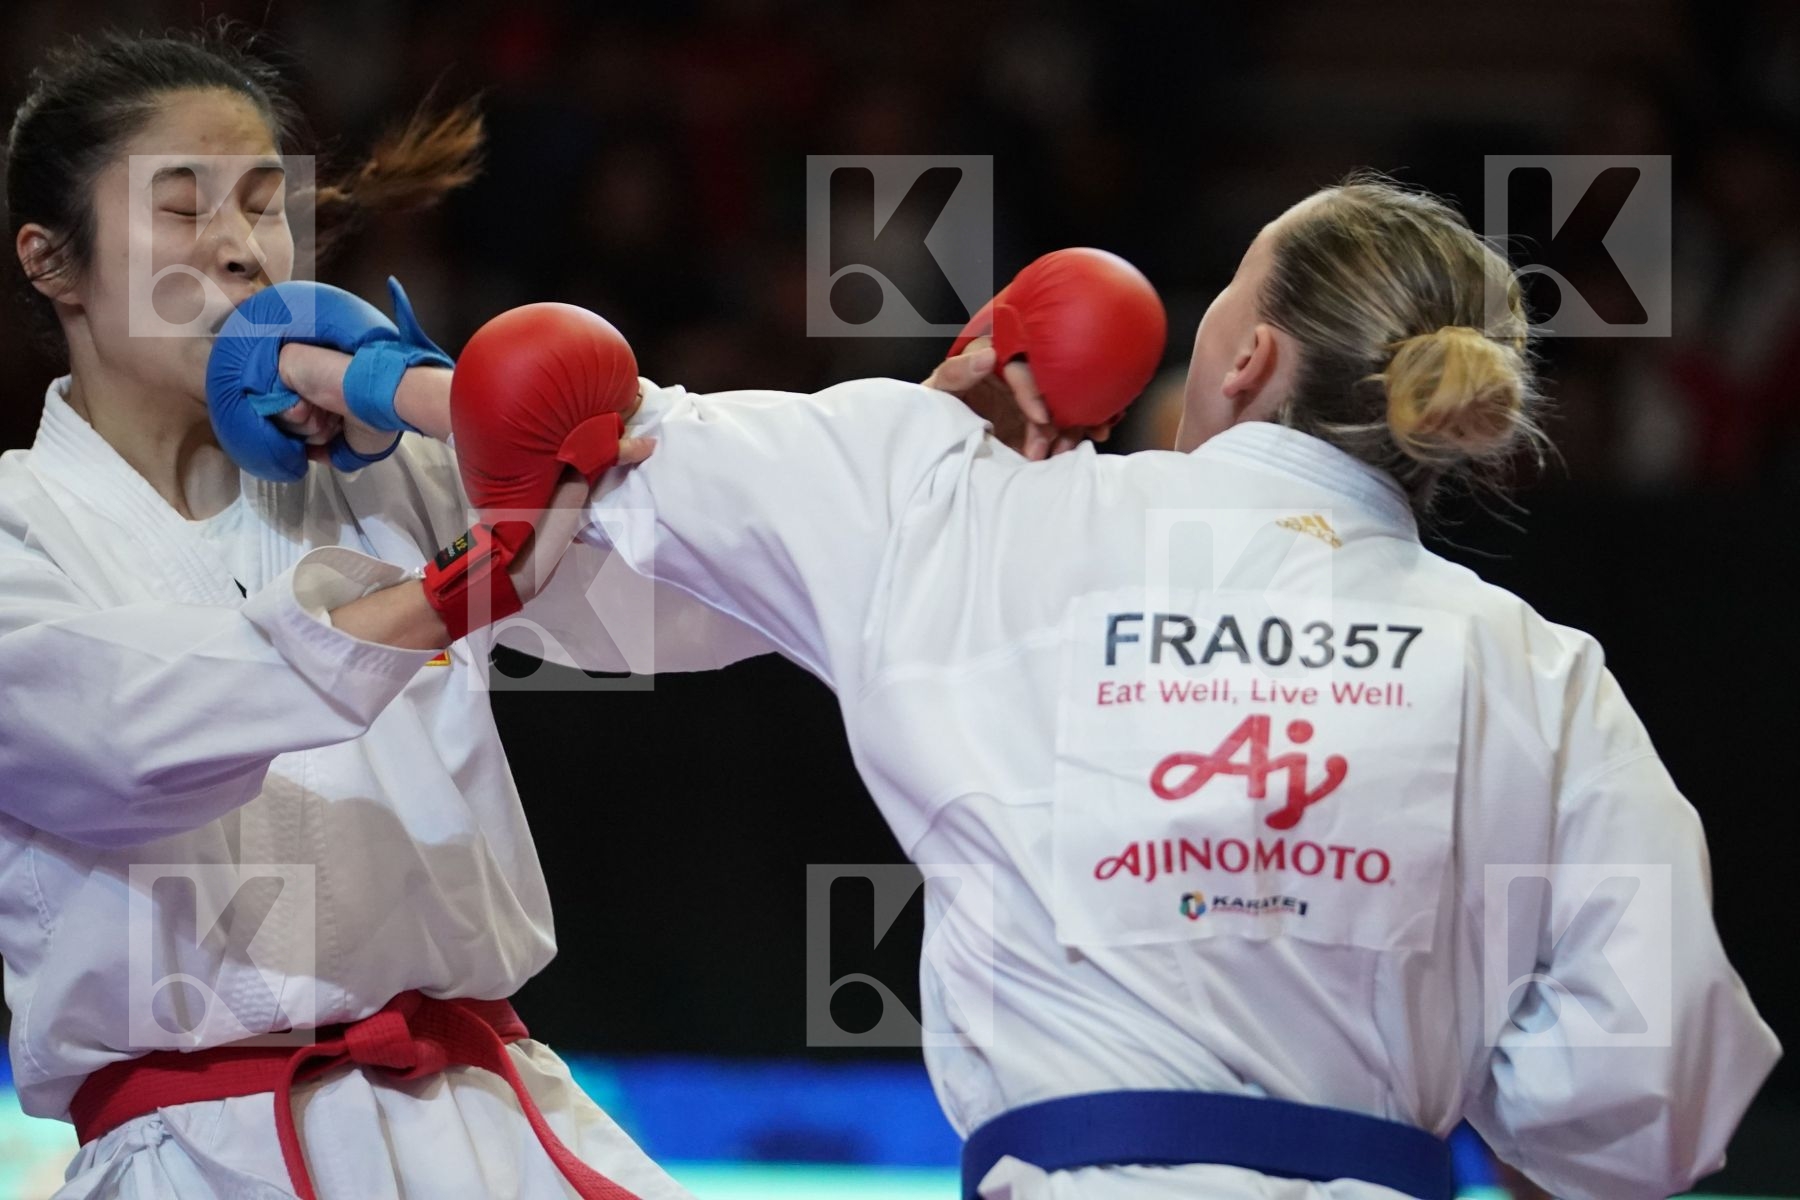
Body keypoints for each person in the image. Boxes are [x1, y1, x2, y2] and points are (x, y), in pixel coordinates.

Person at [481, 178, 1782, 1198]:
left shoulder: (971, 513)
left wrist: (353, 375)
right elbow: (1641, 1101)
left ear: (1247, 362)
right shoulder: (1535, 673)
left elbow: (579, 425)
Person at [0, 27, 763, 1200]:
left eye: (265, 206)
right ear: (52, 262)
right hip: (197, 1158)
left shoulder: (384, 469)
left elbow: (687, 582)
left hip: (489, 1121)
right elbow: (120, 737)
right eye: (185, 206)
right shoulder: (18, 520)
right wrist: (444, 596)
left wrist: (420, 388)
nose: (242, 248)